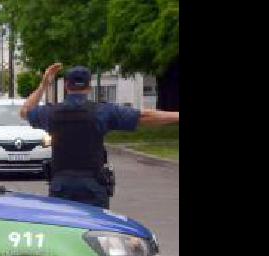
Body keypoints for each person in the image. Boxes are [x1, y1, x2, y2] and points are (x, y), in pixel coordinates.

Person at [19, 63, 179, 208]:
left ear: (67, 86)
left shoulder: (51, 113)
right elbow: (145, 117)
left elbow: (25, 111)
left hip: (61, 185)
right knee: (95, 235)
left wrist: (44, 84)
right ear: (89, 87)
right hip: (93, 186)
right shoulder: (102, 112)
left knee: (65, 233)